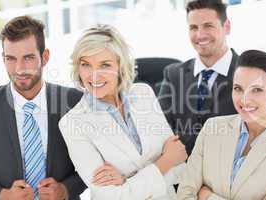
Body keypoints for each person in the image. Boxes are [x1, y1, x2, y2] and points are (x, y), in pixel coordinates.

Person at [58, 24, 187, 200]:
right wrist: (164, 161)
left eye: (105, 65)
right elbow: (112, 195)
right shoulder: (72, 123)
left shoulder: (143, 93)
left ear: (120, 65)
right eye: (86, 65)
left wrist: (127, 180)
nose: (94, 75)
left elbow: (179, 165)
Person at [177, 49, 266, 200]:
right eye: (238, 88)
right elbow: (184, 194)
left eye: (256, 90)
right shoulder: (212, 128)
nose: (244, 100)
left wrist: (208, 196)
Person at [0, 16, 86, 200]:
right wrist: (1, 195)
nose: (19, 69)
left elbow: (97, 166)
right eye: (11, 58)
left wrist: (66, 189)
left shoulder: (75, 102)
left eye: (28, 58)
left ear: (45, 57)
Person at [158, 0, 238, 155]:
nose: (200, 35)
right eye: (193, 27)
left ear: (226, 27)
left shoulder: (249, 73)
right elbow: (160, 129)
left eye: (208, 26)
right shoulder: (173, 74)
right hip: (181, 171)